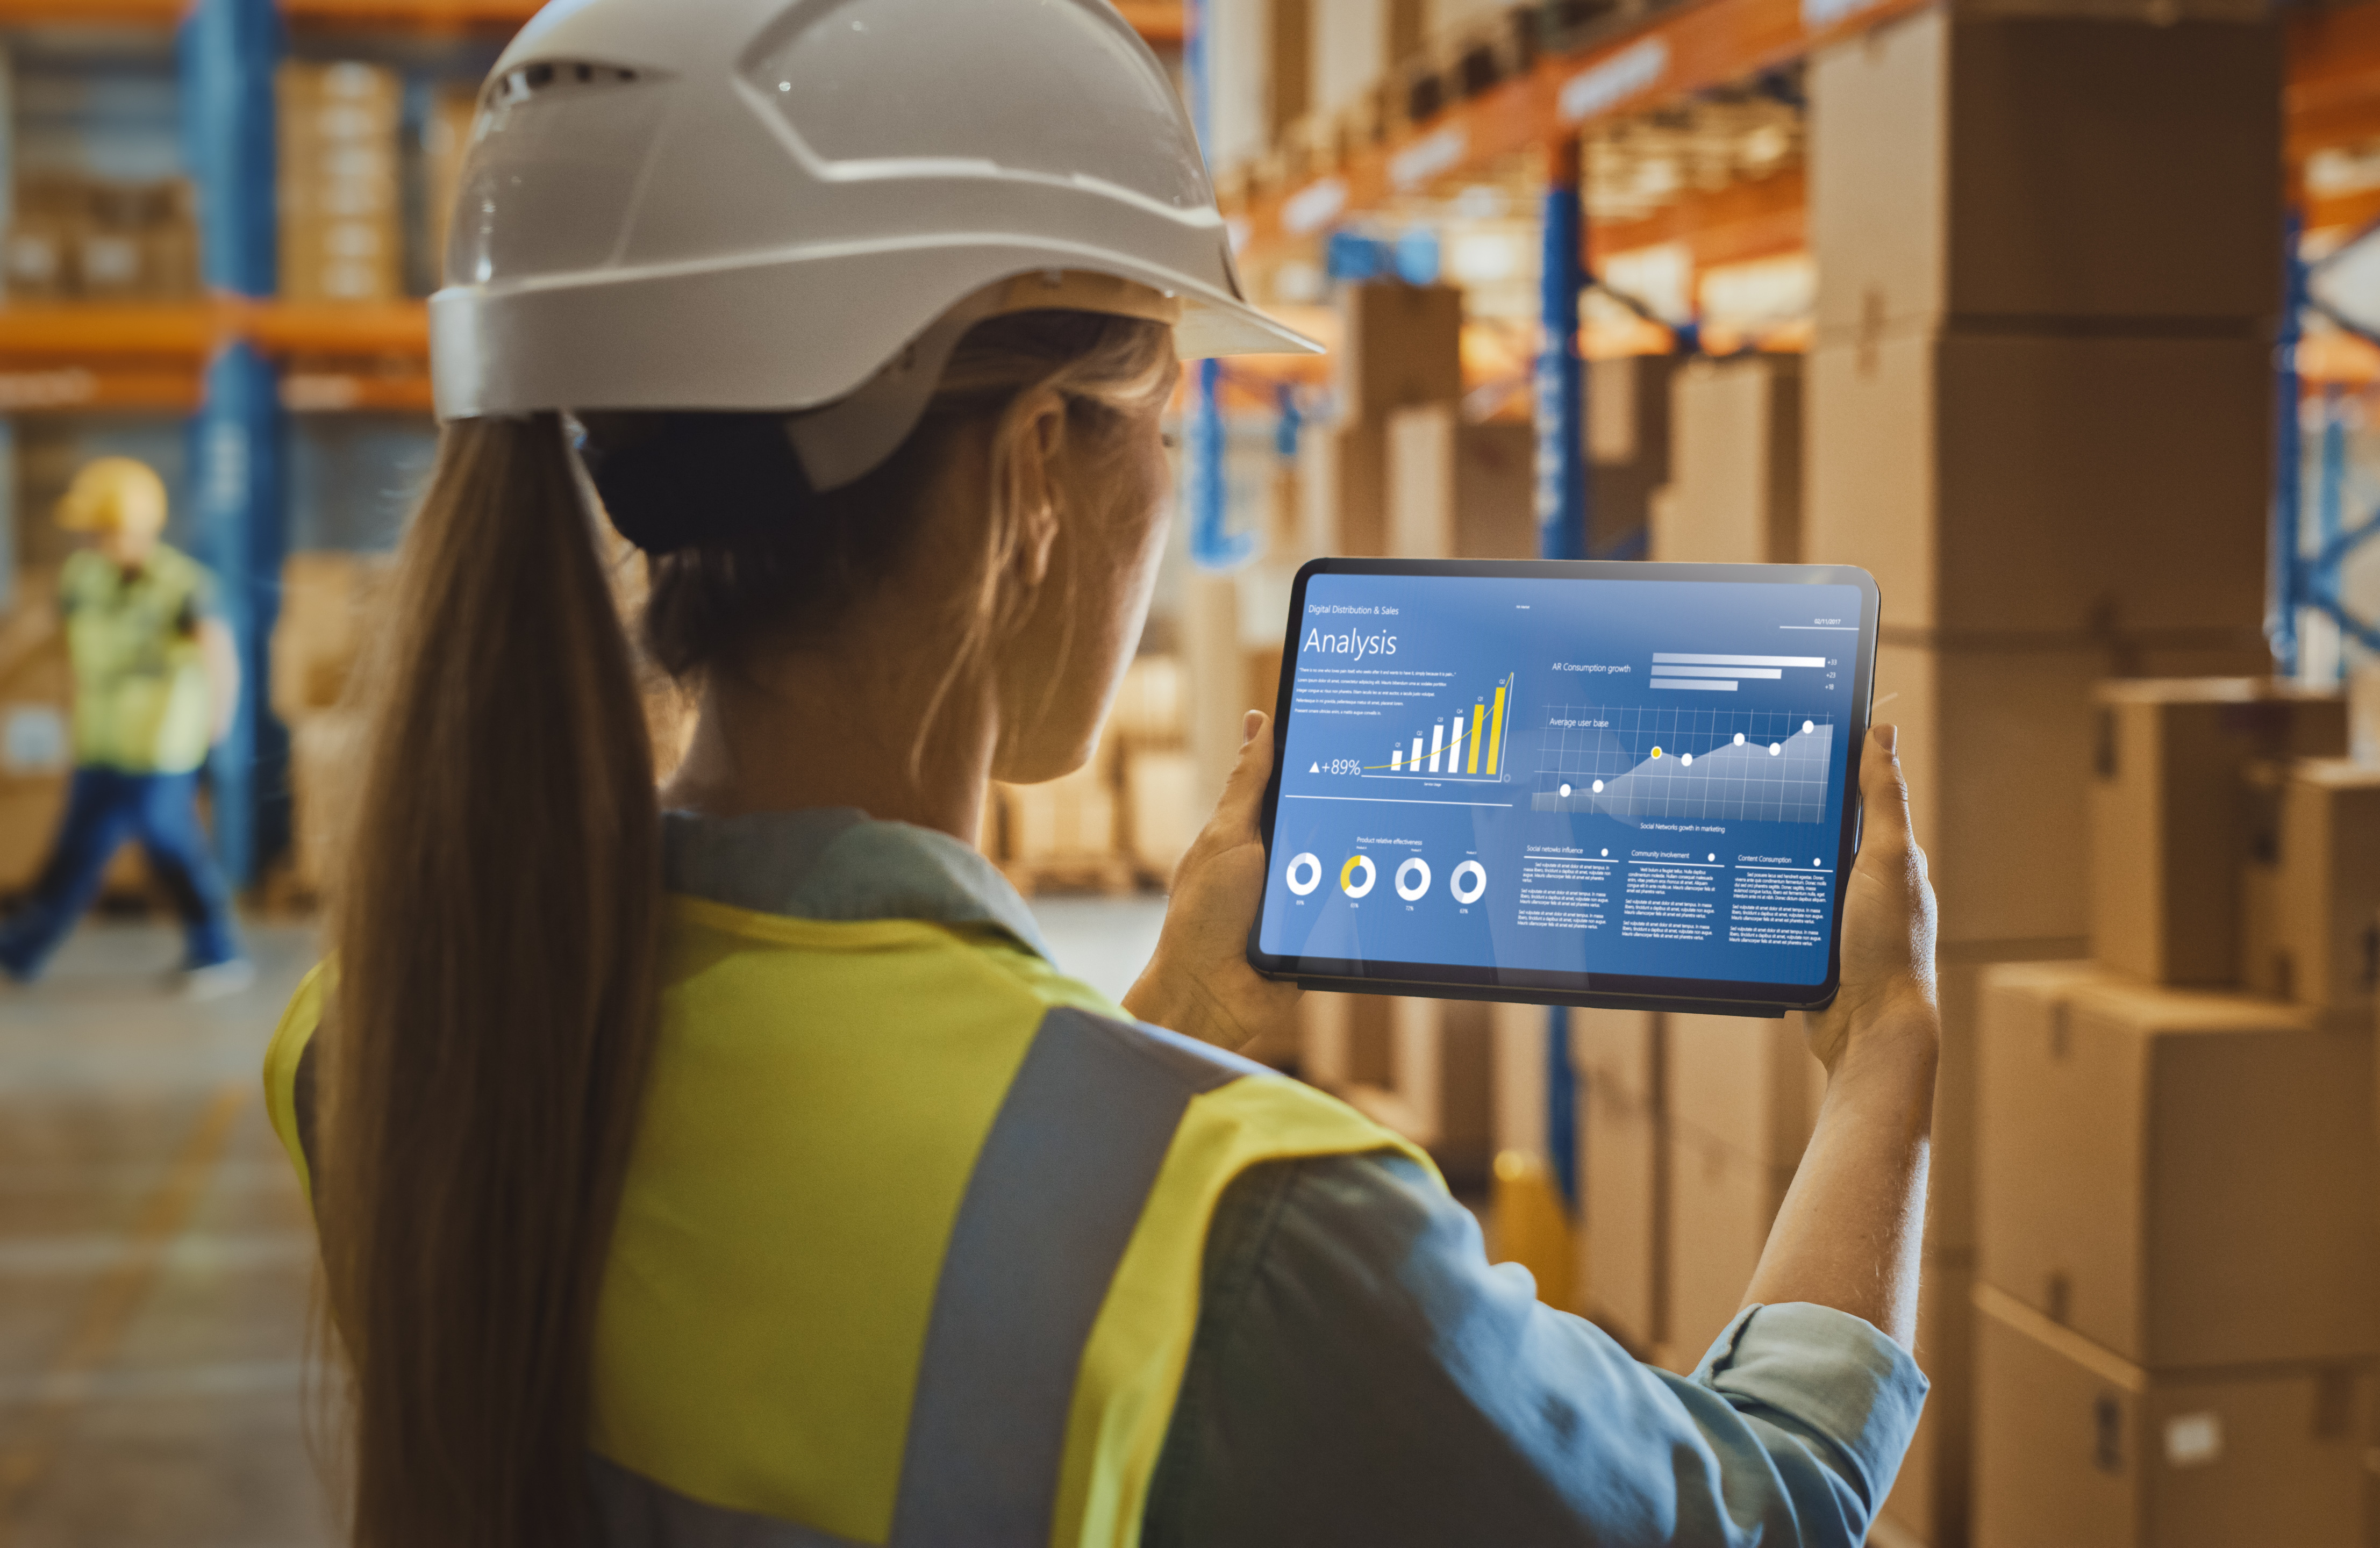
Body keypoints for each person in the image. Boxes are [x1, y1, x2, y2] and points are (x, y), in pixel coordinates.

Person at [260, 1, 1942, 1544]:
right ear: (1026, 479)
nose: (1168, 473)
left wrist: (1161, 1034)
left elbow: (882, 1282)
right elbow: (1757, 1512)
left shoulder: (389, 1038)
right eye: (1167, 414)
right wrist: (1879, 1074)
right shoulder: (1254, 1237)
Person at [0, 456, 248, 993]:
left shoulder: (181, 585)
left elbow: (219, 656)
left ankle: (219, 953)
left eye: (101, 529)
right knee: (76, 850)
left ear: (134, 525)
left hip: (161, 750)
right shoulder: (83, 579)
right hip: (101, 745)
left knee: (168, 843)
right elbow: (42, 636)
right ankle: (21, 951)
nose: (91, 540)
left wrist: (218, 726)